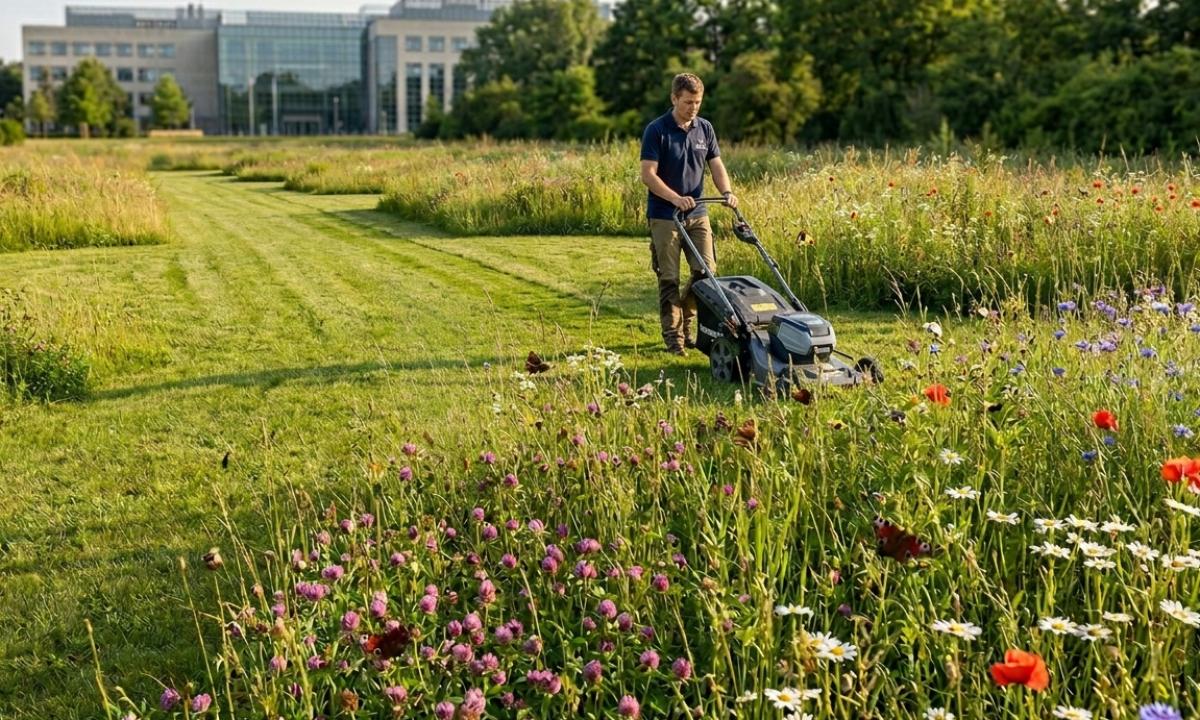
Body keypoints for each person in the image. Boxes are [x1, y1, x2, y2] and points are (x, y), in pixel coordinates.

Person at [639, 72, 738, 355]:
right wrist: (674, 198)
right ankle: (674, 339)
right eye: (687, 102)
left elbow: (716, 165)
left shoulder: (704, 129)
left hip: (698, 212)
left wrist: (727, 192)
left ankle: (688, 320)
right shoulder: (656, 130)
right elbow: (648, 175)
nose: (693, 107)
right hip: (664, 215)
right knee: (668, 277)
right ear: (674, 98)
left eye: (697, 102)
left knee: (705, 274)